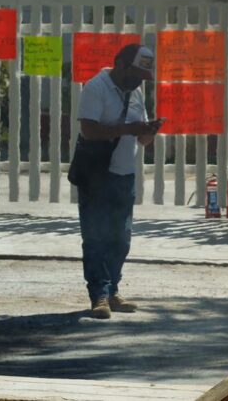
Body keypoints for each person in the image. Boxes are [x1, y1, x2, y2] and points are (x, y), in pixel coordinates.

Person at [77, 44, 164, 319]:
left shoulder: (137, 92)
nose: (139, 80)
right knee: (96, 237)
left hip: (125, 175)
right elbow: (88, 130)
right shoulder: (95, 88)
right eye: (136, 73)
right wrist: (129, 129)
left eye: (143, 76)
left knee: (121, 239)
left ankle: (113, 289)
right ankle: (99, 295)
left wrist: (149, 132)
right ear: (120, 64)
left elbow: (141, 138)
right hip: (96, 174)